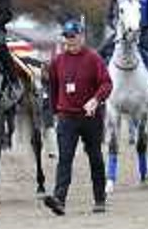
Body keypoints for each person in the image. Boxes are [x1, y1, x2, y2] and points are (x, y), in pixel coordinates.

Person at [43, 20, 113, 216]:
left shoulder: (94, 59)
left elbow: (106, 84)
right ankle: (59, 200)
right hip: (67, 117)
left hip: (90, 117)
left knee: (95, 158)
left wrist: (95, 100)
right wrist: (55, 112)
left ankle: (100, 198)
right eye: (66, 37)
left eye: (73, 37)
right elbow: (53, 88)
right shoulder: (57, 61)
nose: (70, 41)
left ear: (82, 37)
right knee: (64, 158)